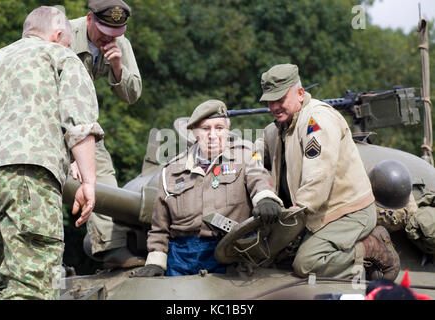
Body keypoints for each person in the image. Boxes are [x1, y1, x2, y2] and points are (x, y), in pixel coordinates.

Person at [0, 6, 103, 299]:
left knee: (5, 282)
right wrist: (88, 182)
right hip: (28, 176)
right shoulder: (61, 55)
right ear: (60, 34)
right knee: (33, 286)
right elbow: (80, 125)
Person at [256, 63, 400, 280]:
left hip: (347, 212)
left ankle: (371, 248)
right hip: (318, 215)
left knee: (306, 264)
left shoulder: (316, 120)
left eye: (280, 99)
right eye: (269, 100)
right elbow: (254, 153)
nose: (274, 106)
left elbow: (318, 174)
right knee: (270, 257)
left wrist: (296, 213)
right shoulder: (275, 129)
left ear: (300, 93)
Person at [132, 100, 284, 276]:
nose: (213, 135)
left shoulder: (245, 155)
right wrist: (156, 262)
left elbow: (259, 178)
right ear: (195, 133)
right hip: (181, 256)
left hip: (229, 251)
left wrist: (265, 198)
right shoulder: (172, 169)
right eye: (205, 128)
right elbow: (160, 224)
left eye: (219, 128)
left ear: (227, 131)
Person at [68, 0, 144, 268]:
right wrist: (72, 155)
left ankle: (111, 248)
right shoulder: (63, 35)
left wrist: (117, 68)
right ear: (89, 19)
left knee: (103, 176)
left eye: (116, 33)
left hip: (83, 121)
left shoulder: (118, 44)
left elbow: (133, 95)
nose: (108, 39)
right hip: (46, 120)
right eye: (103, 32)